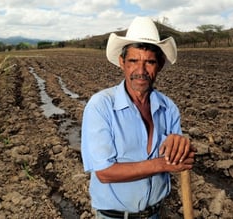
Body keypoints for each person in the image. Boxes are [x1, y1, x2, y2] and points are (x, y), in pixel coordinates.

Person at [81, 16, 196, 219]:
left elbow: (181, 159)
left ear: (159, 65)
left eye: (149, 62)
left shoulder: (168, 108)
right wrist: (163, 164)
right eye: (133, 61)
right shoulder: (100, 106)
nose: (140, 71)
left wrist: (181, 145)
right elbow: (105, 172)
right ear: (122, 62)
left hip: (155, 213)